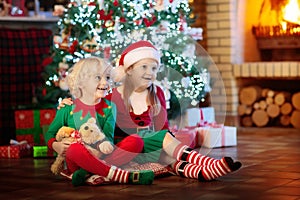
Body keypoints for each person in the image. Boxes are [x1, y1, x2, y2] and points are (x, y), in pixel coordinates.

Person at [60, 41, 242, 182]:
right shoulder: (113, 96)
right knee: (163, 144)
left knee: (168, 153)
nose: (150, 73)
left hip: (152, 143)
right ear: (129, 70)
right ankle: (206, 163)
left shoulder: (157, 93)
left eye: (154, 68)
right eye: (144, 67)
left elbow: (162, 127)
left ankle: (203, 172)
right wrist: (68, 104)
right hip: (127, 146)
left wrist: (164, 139)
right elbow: (91, 108)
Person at [45, 57, 154, 186]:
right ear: (82, 82)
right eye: (98, 78)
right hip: (76, 158)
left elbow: (108, 139)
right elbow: (50, 134)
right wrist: (55, 146)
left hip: (102, 154)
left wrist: (96, 151)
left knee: (136, 141)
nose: (105, 82)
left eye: (107, 78)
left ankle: (88, 172)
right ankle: (122, 175)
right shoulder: (68, 107)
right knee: (74, 149)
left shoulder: (110, 107)